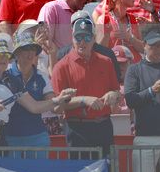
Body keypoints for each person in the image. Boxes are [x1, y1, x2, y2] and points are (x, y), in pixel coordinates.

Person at [0, 39, 75, 147]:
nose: (4, 59)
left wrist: (58, 100)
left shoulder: (13, 81)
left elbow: (34, 106)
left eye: (7, 55)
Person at [51, 18, 121, 158]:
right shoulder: (61, 66)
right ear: (72, 37)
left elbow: (117, 92)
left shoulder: (106, 61)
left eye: (87, 37)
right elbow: (56, 107)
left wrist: (114, 95)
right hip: (78, 129)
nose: (82, 42)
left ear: (94, 39)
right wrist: (83, 100)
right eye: (78, 37)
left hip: (104, 125)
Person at [124, 24, 160, 172]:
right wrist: (151, 91)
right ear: (144, 46)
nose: (157, 49)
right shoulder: (135, 69)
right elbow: (130, 100)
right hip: (144, 137)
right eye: (153, 45)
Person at [5, 33, 67, 158]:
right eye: (26, 48)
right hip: (9, 136)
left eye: (34, 48)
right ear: (17, 52)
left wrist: (64, 100)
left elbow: (54, 107)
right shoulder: (5, 73)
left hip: (36, 136)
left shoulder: (42, 77)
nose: (31, 52)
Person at [37, 0, 101, 51]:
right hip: (57, 62)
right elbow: (44, 43)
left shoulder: (82, 15)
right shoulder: (50, 9)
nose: (89, 2)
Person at [96, 0, 144, 64]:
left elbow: (144, 49)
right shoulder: (103, 20)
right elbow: (99, 51)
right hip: (114, 69)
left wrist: (130, 38)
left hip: (134, 70)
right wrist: (106, 33)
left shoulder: (135, 19)